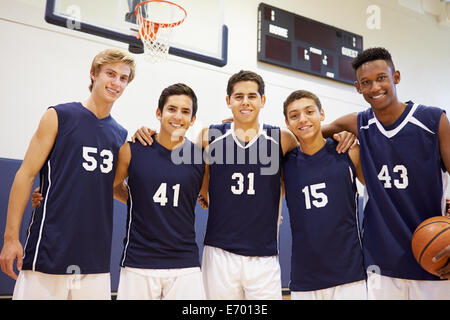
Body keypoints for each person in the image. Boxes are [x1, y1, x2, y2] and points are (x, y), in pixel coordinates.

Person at [132, 70, 355, 300]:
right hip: (219, 253)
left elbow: (310, 145)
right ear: (228, 101)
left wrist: (338, 134)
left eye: (252, 96)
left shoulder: (282, 138)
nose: (245, 102)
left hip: (264, 255)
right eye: (238, 96)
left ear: (263, 101)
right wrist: (149, 133)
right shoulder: (210, 136)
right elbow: (184, 165)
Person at [0, 48, 135, 300]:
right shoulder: (59, 115)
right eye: (110, 74)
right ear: (94, 74)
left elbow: (112, 186)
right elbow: (26, 174)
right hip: (50, 247)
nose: (116, 82)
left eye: (123, 78)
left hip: (95, 256)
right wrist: (10, 238)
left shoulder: (120, 134)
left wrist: (146, 199)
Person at [322, 47, 450, 299]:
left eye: (381, 78)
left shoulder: (433, 120)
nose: (374, 88)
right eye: (366, 82)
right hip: (381, 263)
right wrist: (246, 127)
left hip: (435, 257)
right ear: (358, 87)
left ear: (396, 77)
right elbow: (307, 134)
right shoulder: (358, 123)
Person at [112, 83, 206, 300]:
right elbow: (110, 185)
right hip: (139, 262)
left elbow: (209, 196)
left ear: (192, 120)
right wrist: (138, 201)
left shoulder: (200, 159)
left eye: (185, 112)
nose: (178, 116)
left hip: (185, 264)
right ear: (158, 113)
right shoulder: (132, 149)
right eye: (172, 109)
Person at [282, 89, 367, 300]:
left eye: (309, 112)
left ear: (322, 114)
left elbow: (383, 191)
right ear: (287, 123)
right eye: (294, 115)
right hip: (305, 279)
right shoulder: (284, 163)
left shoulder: (348, 152)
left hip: (350, 275)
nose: (303, 119)